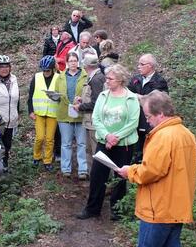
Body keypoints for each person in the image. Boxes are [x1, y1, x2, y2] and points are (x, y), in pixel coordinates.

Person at [117, 91, 196, 247]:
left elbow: (151, 171)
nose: (147, 122)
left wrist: (130, 171)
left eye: (148, 117)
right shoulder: (186, 134)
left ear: (160, 114)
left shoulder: (162, 137)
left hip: (158, 209)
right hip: (177, 208)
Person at [76, 64, 139, 221]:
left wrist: (116, 137)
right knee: (97, 175)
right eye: (107, 78)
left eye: (110, 78)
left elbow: (132, 122)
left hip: (124, 145)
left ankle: (117, 211)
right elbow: (96, 118)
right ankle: (92, 209)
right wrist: (107, 136)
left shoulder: (131, 98)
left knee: (119, 177)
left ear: (120, 80)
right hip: (104, 143)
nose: (107, 81)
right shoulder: (104, 96)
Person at [128, 54, 169, 163]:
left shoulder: (160, 81)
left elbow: (153, 101)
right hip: (135, 121)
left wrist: (137, 96)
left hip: (150, 123)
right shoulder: (135, 79)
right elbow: (127, 94)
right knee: (135, 153)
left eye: (142, 64)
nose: (138, 66)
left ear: (150, 66)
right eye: (138, 64)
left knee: (149, 154)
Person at [55, 52, 89, 179]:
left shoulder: (85, 75)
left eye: (75, 61)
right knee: (66, 143)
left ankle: (83, 170)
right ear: (67, 62)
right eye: (71, 61)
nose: (73, 63)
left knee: (81, 143)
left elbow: (89, 94)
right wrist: (54, 96)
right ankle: (66, 168)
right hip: (64, 113)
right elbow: (57, 93)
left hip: (80, 113)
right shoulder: (61, 77)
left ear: (78, 62)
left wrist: (82, 101)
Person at [72, 54, 106, 163]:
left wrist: (80, 107)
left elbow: (96, 103)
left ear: (87, 66)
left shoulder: (96, 79)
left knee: (96, 151)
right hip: (90, 121)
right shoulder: (97, 77)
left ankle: (98, 177)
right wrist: (82, 100)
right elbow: (93, 98)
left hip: (93, 123)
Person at [27, 55, 59, 171]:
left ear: (52, 69)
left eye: (48, 70)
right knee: (40, 137)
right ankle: (37, 156)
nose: (45, 72)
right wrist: (30, 111)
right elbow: (30, 95)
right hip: (39, 113)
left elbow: (61, 96)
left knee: (50, 139)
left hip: (52, 113)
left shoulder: (58, 78)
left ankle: (47, 160)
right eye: (44, 70)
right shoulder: (36, 77)